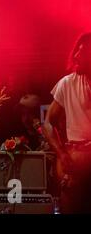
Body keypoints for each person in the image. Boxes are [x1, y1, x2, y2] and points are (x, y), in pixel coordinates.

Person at [43, 32, 91, 213]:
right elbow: (47, 124)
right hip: (74, 161)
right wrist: (62, 154)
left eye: (83, 52)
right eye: (76, 52)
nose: (76, 56)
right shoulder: (66, 84)